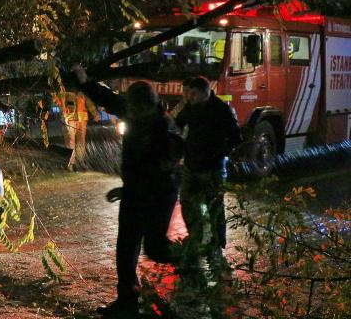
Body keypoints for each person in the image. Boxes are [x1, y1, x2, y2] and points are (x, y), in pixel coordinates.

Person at [71, 64, 181, 318]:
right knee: (125, 251)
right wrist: (84, 82)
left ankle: (191, 259)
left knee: (155, 248)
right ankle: (127, 302)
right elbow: (109, 100)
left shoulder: (164, 128)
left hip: (159, 195)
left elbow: (162, 168)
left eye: (133, 108)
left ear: (146, 106)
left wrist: (132, 188)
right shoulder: (134, 112)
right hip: (135, 192)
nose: (128, 112)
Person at [176, 76, 242, 273]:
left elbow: (236, 138)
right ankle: (194, 241)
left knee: (214, 209)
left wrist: (219, 152)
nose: (189, 97)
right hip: (191, 166)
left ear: (205, 92)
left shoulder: (221, 110)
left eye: (193, 93)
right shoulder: (190, 107)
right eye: (187, 93)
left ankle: (216, 246)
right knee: (187, 204)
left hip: (212, 168)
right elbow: (178, 125)